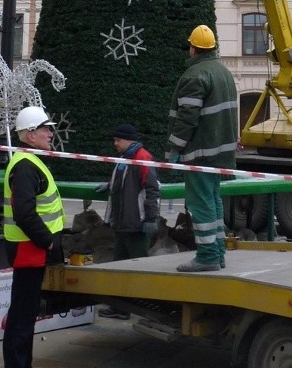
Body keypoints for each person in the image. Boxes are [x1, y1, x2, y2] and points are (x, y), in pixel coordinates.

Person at [1, 106, 66, 368]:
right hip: (30, 249)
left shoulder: (29, 161)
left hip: (31, 249)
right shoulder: (26, 165)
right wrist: (47, 241)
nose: (50, 133)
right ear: (30, 134)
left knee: (26, 315)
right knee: (22, 316)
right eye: (45, 129)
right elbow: (25, 213)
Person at [167, 24, 239, 272]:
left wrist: (174, 148)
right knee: (213, 201)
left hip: (200, 153)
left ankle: (208, 256)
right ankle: (217, 253)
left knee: (200, 204)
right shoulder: (223, 72)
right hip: (219, 153)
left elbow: (187, 118)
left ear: (193, 48)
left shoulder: (195, 75)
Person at [97, 123, 161, 319]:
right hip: (125, 224)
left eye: (117, 140)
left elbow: (152, 190)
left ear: (128, 140)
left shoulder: (141, 158)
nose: (114, 143)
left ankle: (146, 308)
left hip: (135, 225)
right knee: (121, 267)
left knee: (138, 268)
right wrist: (108, 185)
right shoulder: (127, 159)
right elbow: (126, 184)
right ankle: (122, 308)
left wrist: (150, 218)